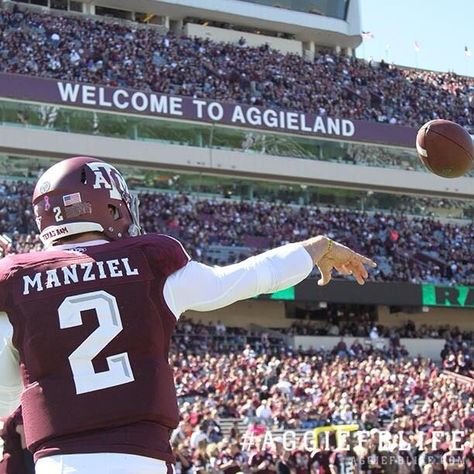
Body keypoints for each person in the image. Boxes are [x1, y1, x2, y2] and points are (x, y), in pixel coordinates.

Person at [0, 156, 376, 473]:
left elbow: (6, 393)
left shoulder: (17, 280)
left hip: (58, 464)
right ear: (112, 208)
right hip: (140, 458)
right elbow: (238, 281)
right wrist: (312, 249)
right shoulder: (148, 262)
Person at [0, 407, 35, 474]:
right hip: (17, 465)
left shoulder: (7, 416)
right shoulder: (17, 416)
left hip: (9, 464)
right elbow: (26, 446)